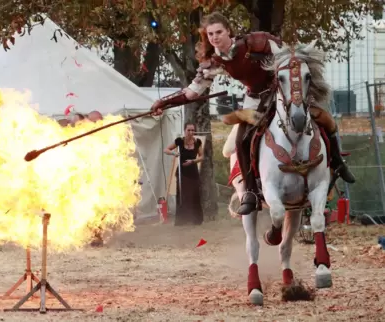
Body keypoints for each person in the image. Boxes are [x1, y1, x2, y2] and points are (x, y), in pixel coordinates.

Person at [151, 11, 355, 215]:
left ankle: (337, 163)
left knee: (324, 119)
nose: (214, 37)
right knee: (241, 139)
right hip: (255, 100)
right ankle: (249, 192)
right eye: (210, 33)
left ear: (228, 31)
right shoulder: (214, 63)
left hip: (281, 93)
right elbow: (191, 92)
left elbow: (287, 55)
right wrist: (163, 102)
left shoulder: (257, 42)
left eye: (219, 32)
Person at [164, 121, 204, 225]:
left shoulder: (197, 142)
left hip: (193, 172)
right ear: (184, 131)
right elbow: (166, 150)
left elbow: (202, 156)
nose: (191, 132)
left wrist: (193, 161)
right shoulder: (179, 141)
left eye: (192, 130)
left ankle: (196, 220)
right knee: (183, 195)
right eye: (188, 130)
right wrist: (174, 153)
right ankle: (182, 220)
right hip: (182, 173)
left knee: (194, 195)